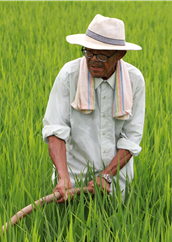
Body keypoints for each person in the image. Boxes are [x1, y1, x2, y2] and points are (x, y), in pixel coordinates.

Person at [42, 14, 145, 202]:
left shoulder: (134, 80)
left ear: (120, 55)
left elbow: (131, 137)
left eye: (102, 55)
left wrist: (106, 175)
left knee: (117, 227)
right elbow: (55, 129)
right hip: (73, 176)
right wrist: (63, 177)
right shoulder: (69, 75)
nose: (93, 60)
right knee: (68, 227)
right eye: (88, 52)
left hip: (116, 179)